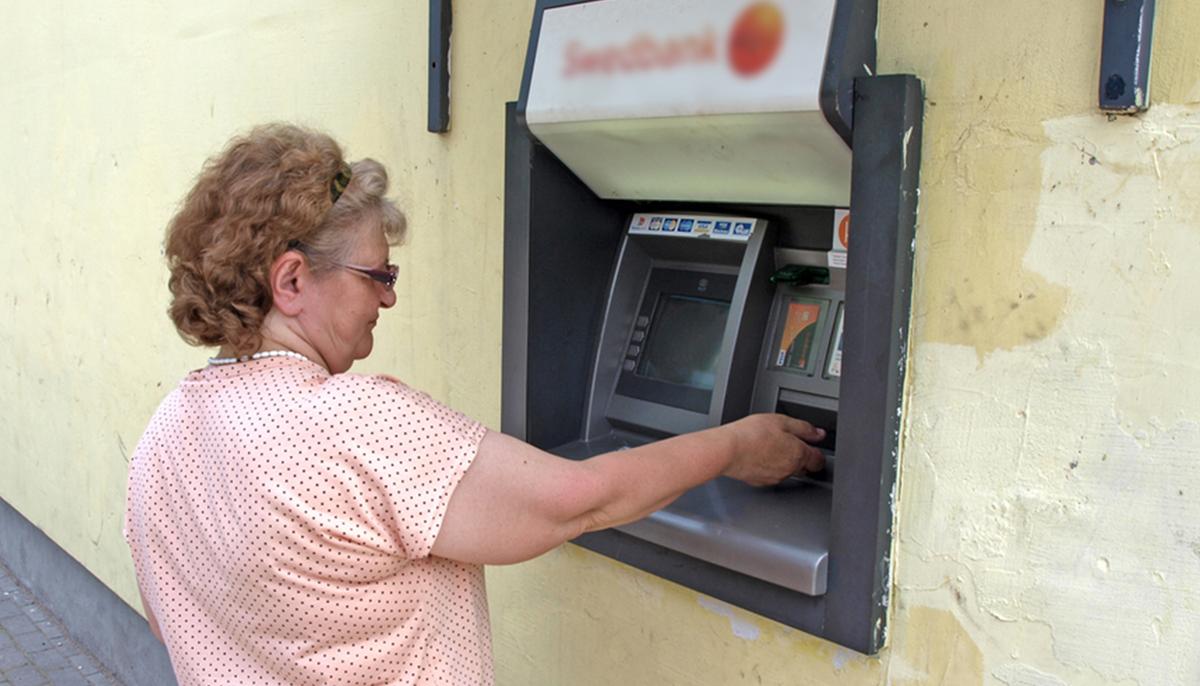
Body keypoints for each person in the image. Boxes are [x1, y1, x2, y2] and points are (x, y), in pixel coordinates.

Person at [124, 123, 826, 686]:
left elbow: (175, 623)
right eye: (377, 273)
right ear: (293, 279)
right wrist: (736, 444)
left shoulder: (167, 433)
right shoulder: (351, 423)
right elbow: (577, 498)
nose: (389, 296)